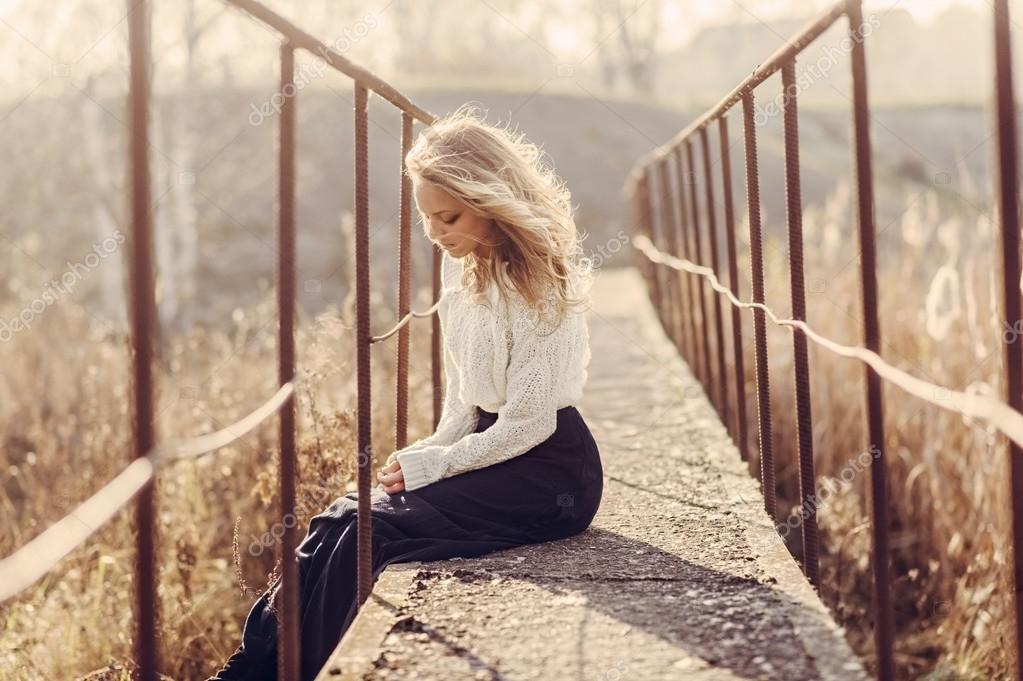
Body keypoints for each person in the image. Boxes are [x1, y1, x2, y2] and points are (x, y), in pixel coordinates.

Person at [207, 103, 603, 681]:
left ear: (491, 203)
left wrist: (438, 465)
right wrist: (427, 451)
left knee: (370, 531)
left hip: (549, 471)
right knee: (339, 517)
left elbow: (528, 424)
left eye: (449, 218)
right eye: (427, 220)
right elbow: (464, 401)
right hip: (490, 448)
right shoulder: (459, 272)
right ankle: (252, 670)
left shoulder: (539, 285)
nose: (436, 235)